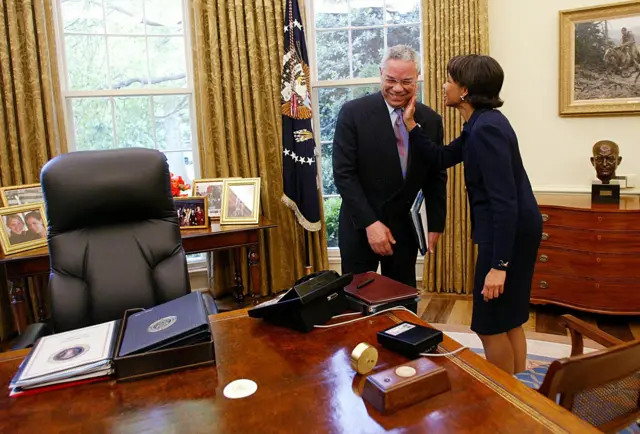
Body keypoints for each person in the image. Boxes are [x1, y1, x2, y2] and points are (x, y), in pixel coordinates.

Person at [403, 54, 542, 374]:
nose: (444, 85)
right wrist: (412, 126)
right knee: (510, 319)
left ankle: (504, 399)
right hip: (516, 229)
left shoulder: (486, 129)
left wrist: (499, 266)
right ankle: (521, 393)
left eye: (449, 80)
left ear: (464, 90)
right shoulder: (483, 122)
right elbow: (441, 158)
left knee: (489, 324)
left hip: (507, 234)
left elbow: (503, 201)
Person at [332, 45, 447, 288]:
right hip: (360, 226)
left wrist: (435, 224)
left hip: (404, 229)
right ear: (381, 73)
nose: (397, 88)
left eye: (406, 81)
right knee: (356, 304)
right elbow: (344, 175)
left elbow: (436, 177)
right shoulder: (353, 113)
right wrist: (370, 224)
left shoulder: (431, 120)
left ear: (416, 78)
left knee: (401, 304)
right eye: (391, 79)